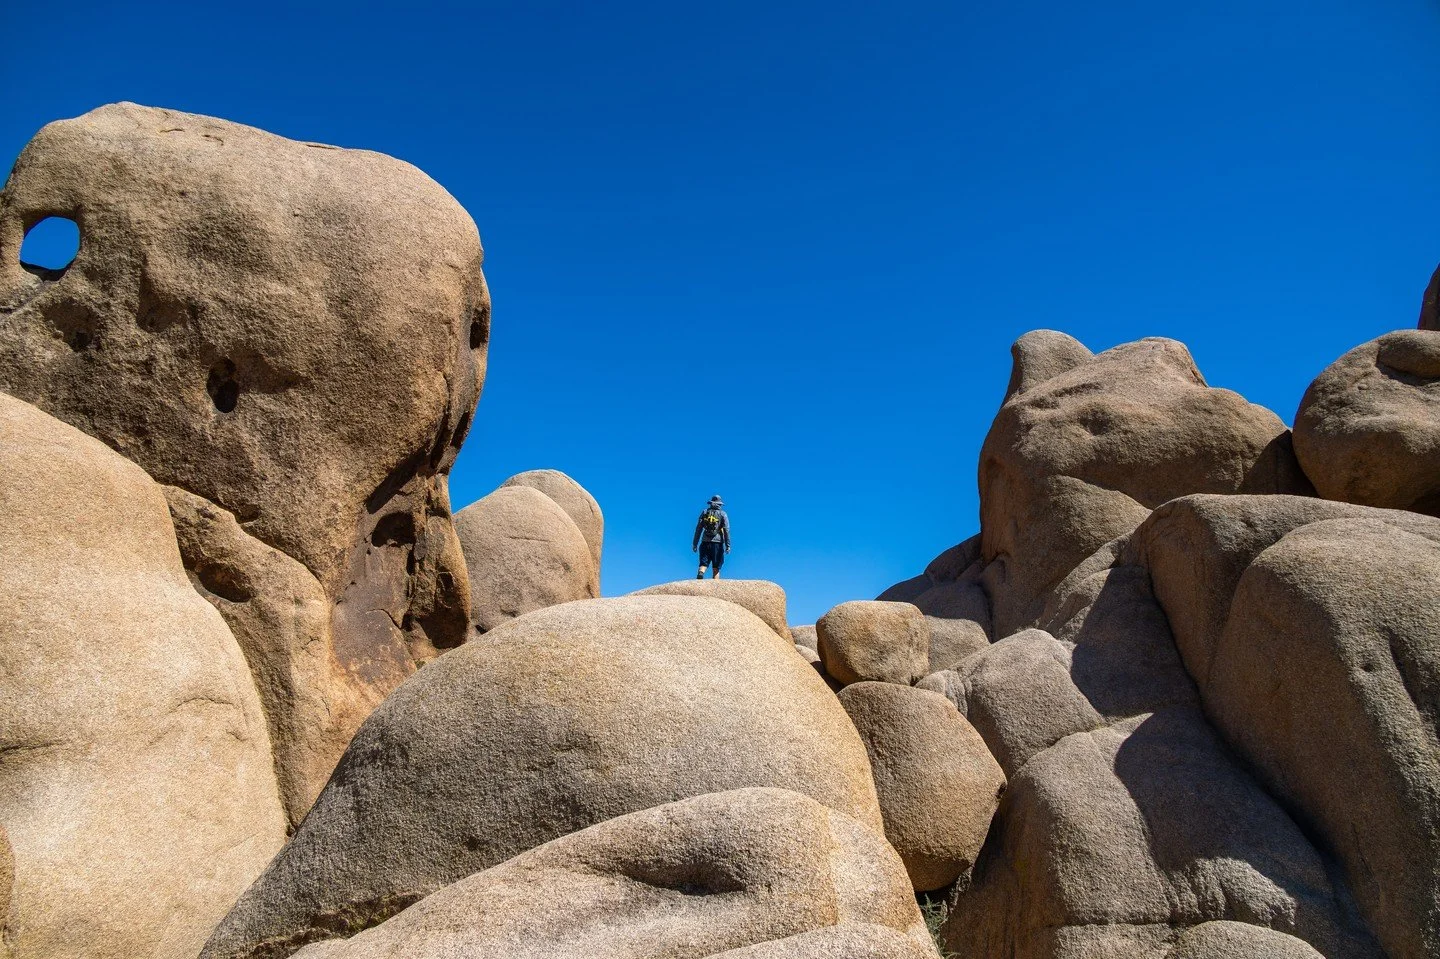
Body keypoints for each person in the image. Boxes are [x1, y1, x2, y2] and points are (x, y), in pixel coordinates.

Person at [691, 494, 730, 579]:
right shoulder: (723, 514)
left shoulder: (705, 512)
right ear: (719, 504)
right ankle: (715, 588)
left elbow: (698, 529)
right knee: (716, 568)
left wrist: (695, 544)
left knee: (703, 564)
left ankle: (701, 573)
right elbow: (726, 530)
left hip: (705, 542)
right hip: (717, 543)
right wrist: (728, 545)